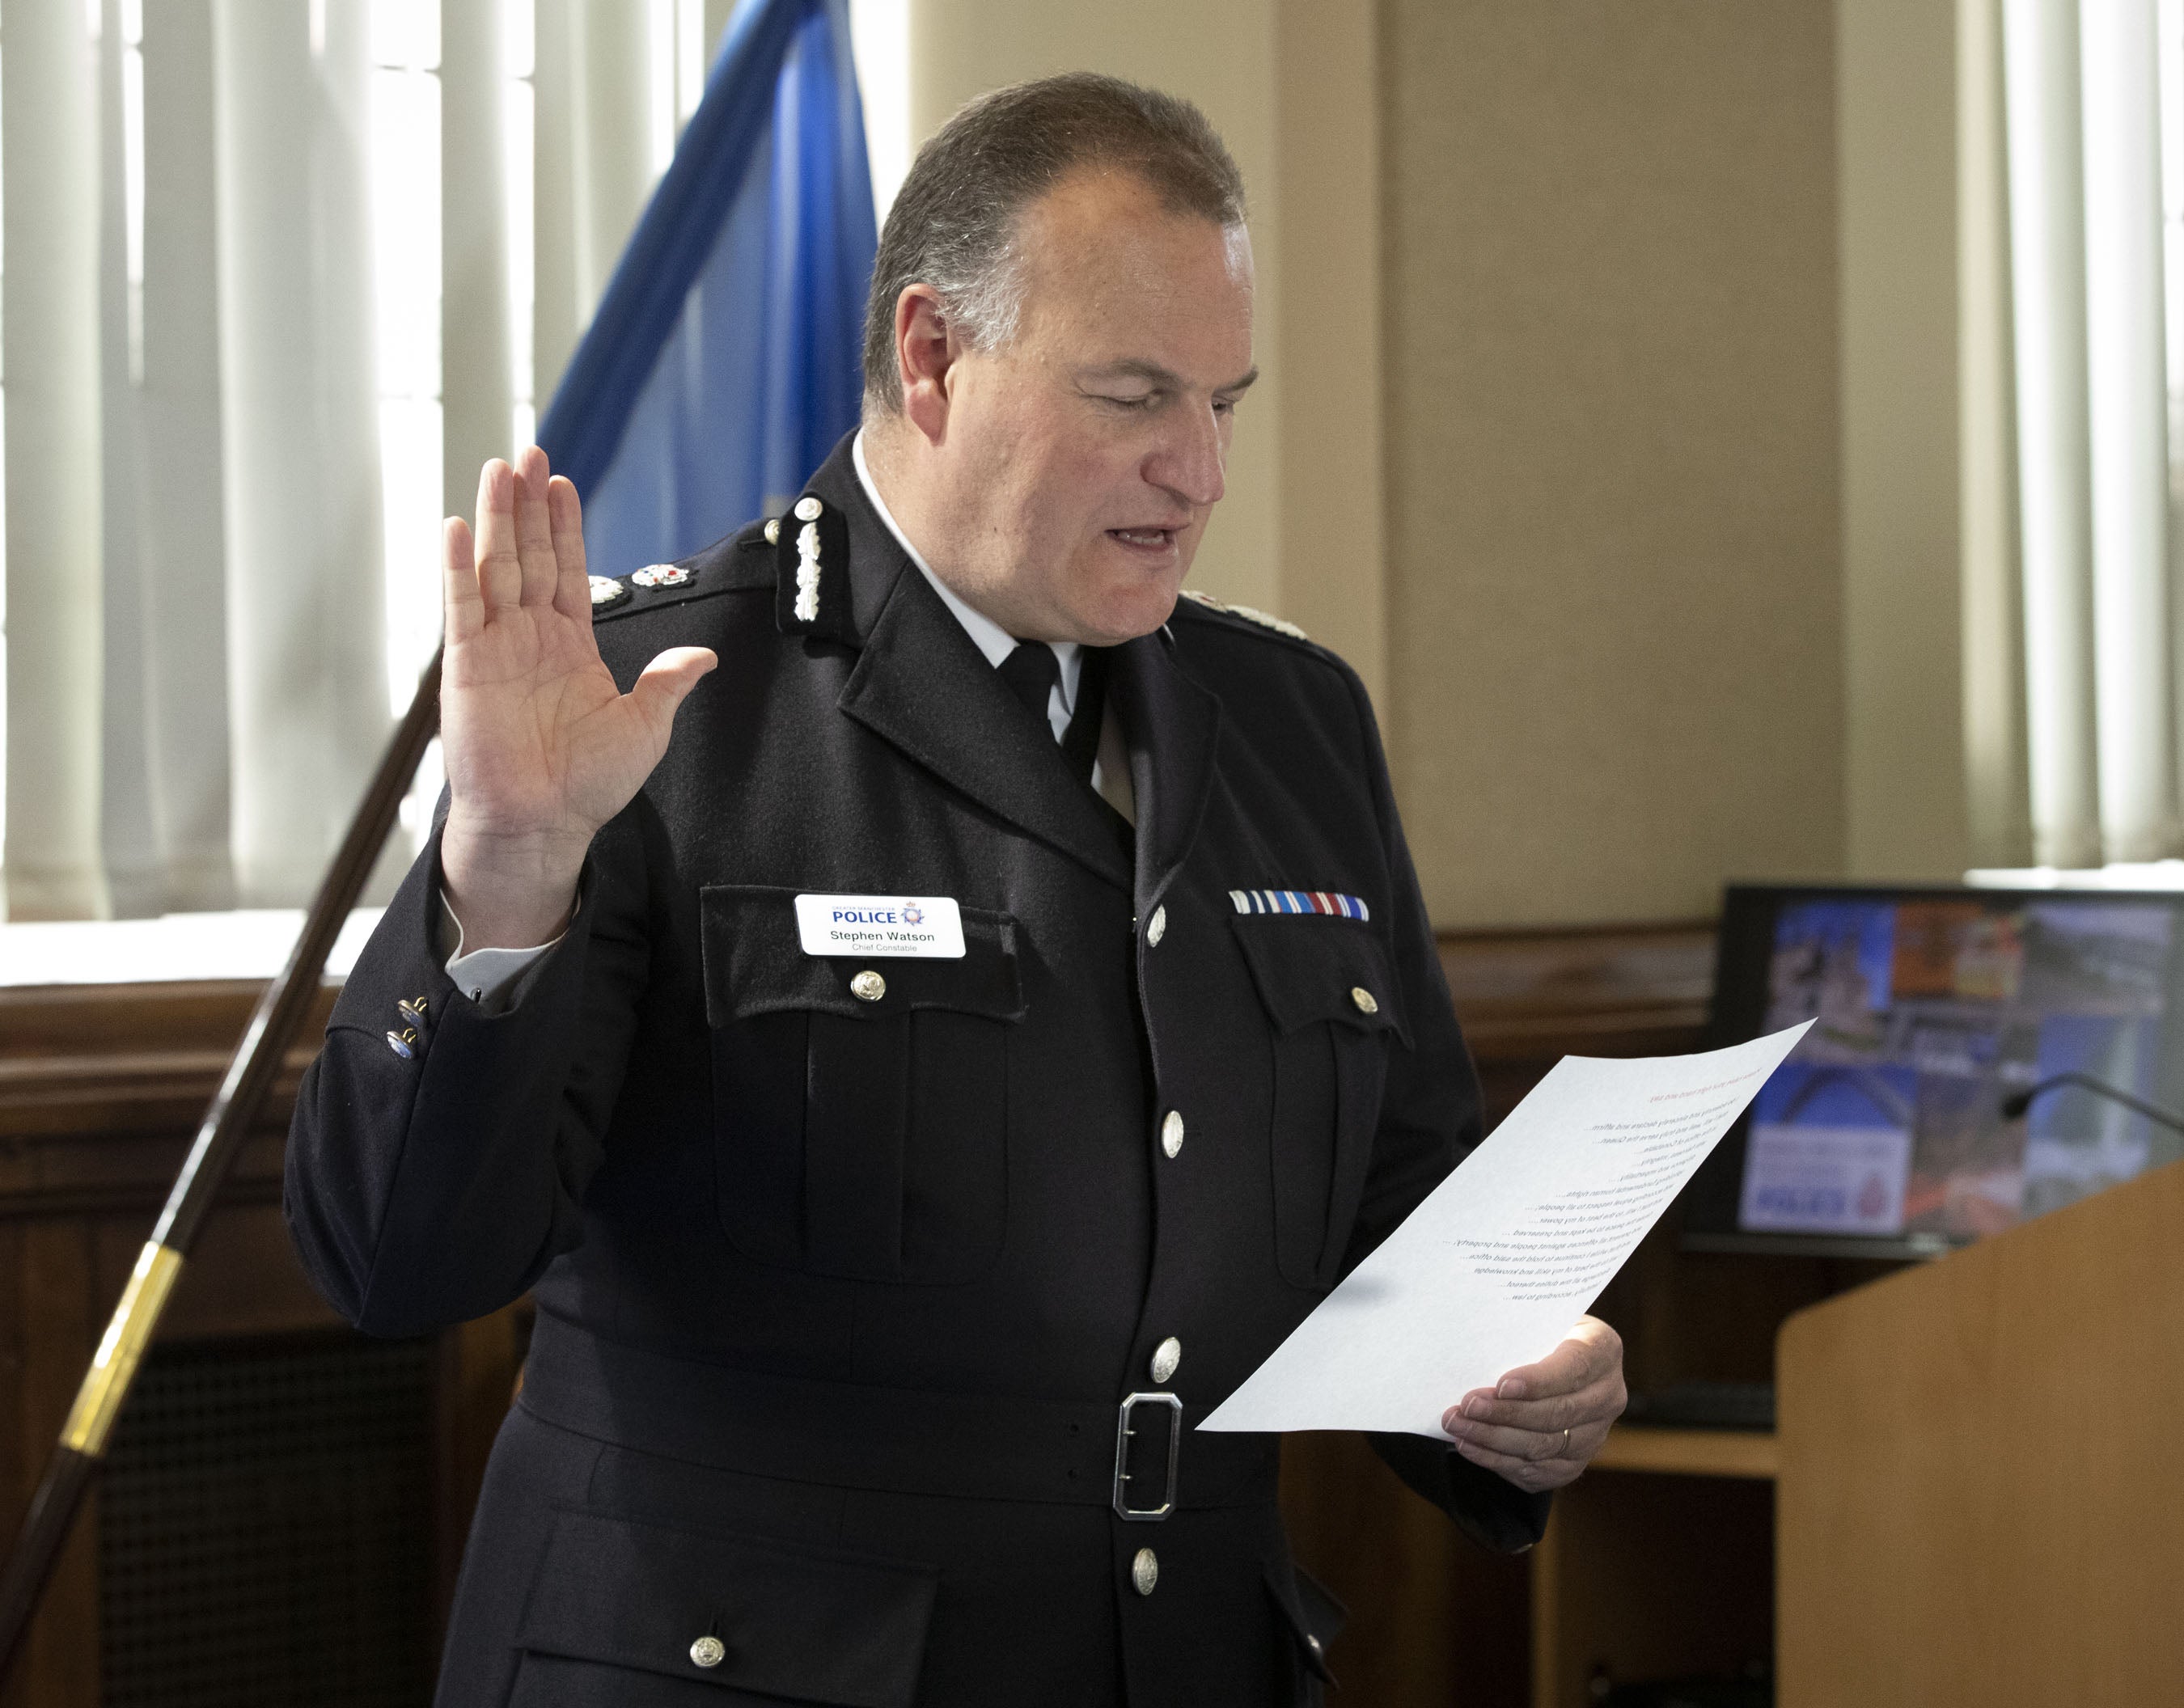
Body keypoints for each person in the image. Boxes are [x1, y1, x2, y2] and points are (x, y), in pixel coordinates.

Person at [285, 72, 1626, 1706]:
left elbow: (1398, 1197)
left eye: (1227, 403)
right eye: (1136, 397)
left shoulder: (1291, 718)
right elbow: (399, 1262)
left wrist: (1509, 1382)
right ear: (931, 355)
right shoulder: (653, 706)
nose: (1200, 474)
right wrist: (509, 872)